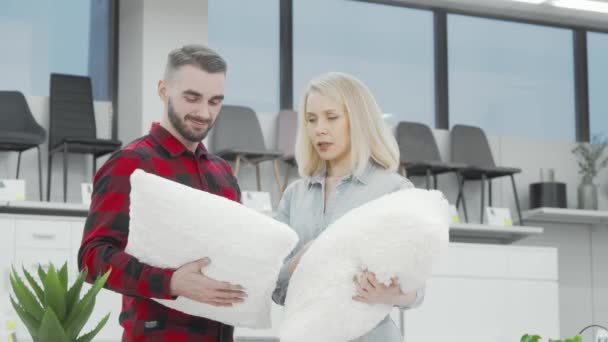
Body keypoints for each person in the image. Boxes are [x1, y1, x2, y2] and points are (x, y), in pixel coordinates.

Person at [78, 44, 247, 342]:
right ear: (163, 90)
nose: (204, 113)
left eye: (215, 101)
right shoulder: (131, 163)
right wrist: (170, 283)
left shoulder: (224, 175)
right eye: (192, 98)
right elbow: (92, 259)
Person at [272, 72, 425, 341]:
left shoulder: (394, 191)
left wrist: (392, 293)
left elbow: (417, 289)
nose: (319, 128)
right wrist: (299, 263)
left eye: (331, 117)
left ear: (358, 120)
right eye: (311, 119)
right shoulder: (294, 196)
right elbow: (276, 289)